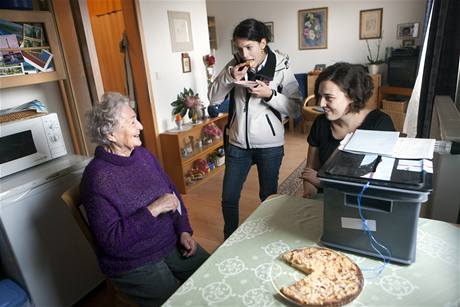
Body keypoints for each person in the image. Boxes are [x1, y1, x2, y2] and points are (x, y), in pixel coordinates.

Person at [80, 92, 209, 306]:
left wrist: (183, 229)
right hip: (135, 262)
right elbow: (112, 242)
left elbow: (172, 193)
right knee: (182, 302)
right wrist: (153, 209)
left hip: (171, 242)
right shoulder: (97, 178)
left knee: (214, 275)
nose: (140, 126)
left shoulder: (143, 156)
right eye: (132, 122)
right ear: (111, 134)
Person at [208, 18, 302, 239]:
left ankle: (266, 236)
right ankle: (228, 238)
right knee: (229, 198)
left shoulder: (282, 66)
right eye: (240, 48)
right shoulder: (234, 65)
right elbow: (212, 97)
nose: (244, 54)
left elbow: (296, 108)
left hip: (270, 146)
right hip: (237, 144)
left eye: (249, 47)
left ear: (262, 42)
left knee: (267, 197)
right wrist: (229, 78)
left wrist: (270, 95)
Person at [302, 62, 395, 198]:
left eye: (329, 98)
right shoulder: (321, 123)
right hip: (328, 200)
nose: (320, 104)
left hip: (363, 202)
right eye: (320, 96)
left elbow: (383, 182)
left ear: (351, 96)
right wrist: (309, 196)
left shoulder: (380, 124)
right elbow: (310, 172)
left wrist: (323, 182)